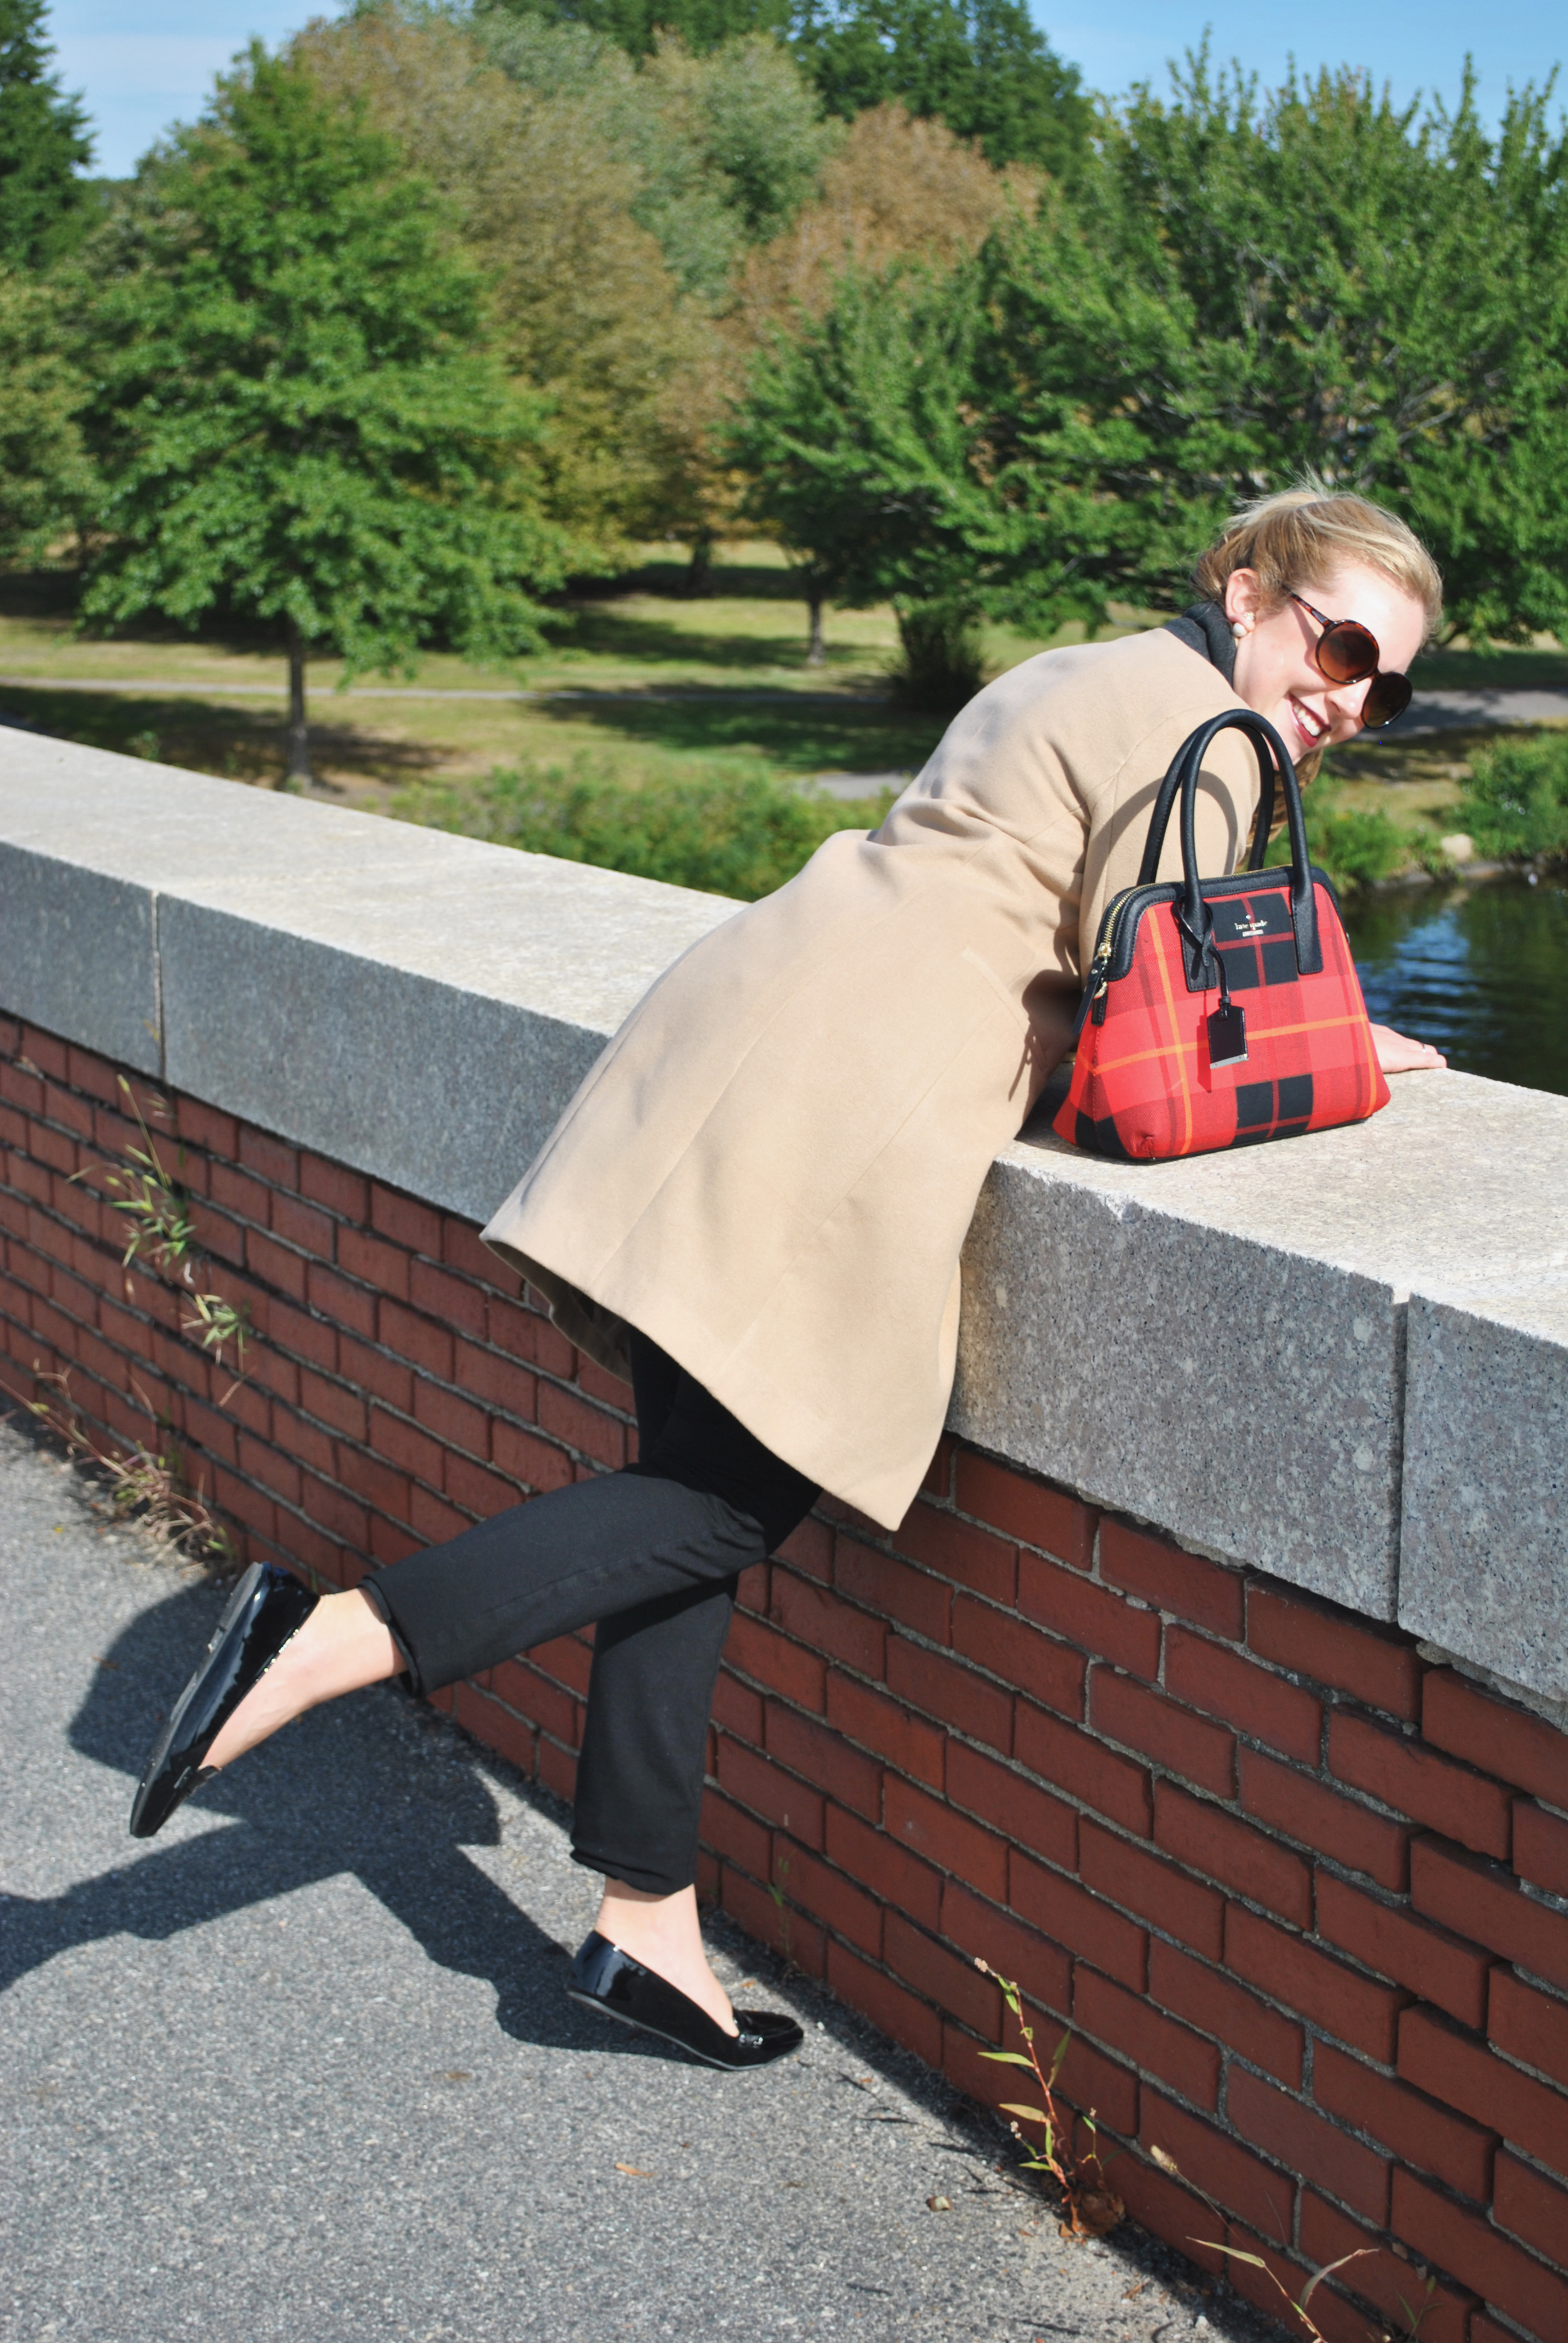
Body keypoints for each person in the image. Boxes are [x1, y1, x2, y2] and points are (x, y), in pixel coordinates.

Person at [130, 485, 1447, 2069]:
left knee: (677, 1488)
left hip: (750, 1023)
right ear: (1245, 586)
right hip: (852, 1092)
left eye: (1391, 683)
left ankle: (645, 1924)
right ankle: (331, 1636)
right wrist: (1335, 1050)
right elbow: (1155, 1013)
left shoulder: (1089, 670)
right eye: (1341, 644)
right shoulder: (1201, 739)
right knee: (734, 1501)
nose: (1352, 700)